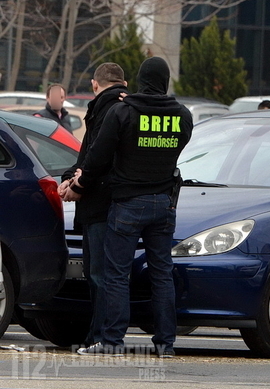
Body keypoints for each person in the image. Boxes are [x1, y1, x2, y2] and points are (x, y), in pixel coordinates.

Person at [66, 57, 193, 358]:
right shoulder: (183, 115)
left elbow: (97, 158)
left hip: (128, 203)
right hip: (164, 203)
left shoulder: (124, 111)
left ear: (140, 80)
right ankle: (165, 343)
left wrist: (79, 185)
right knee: (162, 274)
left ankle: (112, 340)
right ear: (165, 82)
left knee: (116, 274)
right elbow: (179, 145)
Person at [57, 63, 128, 347]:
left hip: (99, 203)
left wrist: (75, 184)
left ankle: (101, 336)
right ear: (123, 83)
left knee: (99, 274)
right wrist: (71, 177)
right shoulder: (127, 107)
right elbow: (89, 156)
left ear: (94, 84)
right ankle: (100, 335)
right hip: (118, 201)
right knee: (109, 274)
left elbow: (95, 157)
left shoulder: (103, 109)